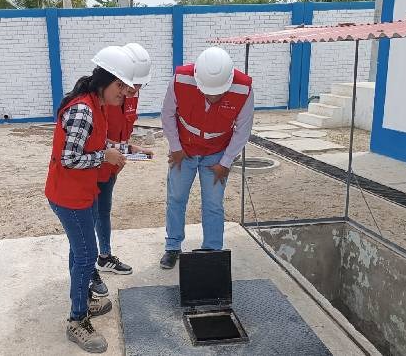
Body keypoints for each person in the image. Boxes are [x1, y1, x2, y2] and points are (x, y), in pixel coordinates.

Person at [45, 45, 135, 353]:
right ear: (104, 81)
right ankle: (76, 319)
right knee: (86, 256)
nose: (124, 93)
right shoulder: (83, 109)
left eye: (126, 87)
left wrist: (121, 152)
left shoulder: (97, 106)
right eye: (120, 86)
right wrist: (104, 156)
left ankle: (81, 300)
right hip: (68, 195)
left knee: (79, 250)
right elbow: (68, 158)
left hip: (79, 192)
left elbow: (95, 145)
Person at [159, 46, 255, 269]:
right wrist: (175, 147)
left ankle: (212, 251)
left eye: (219, 92)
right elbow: (167, 114)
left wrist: (226, 163)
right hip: (184, 150)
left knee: (213, 203)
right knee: (176, 198)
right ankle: (172, 247)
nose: (213, 97)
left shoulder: (244, 89)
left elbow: (243, 130)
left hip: (217, 153)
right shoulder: (181, 79)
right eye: (208, 92)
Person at [90, 43, 153, 297]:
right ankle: (88, 270)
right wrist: (114, 152)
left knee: (103, 212)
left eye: (139, 86)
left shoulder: (130, 96)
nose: (134, 91)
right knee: (87, 220)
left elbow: (121, 133)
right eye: (130, 85)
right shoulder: (101, 98)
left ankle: (104, 257)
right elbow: (93, 139)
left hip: (112, 166)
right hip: (92, 166)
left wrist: (132, 149)